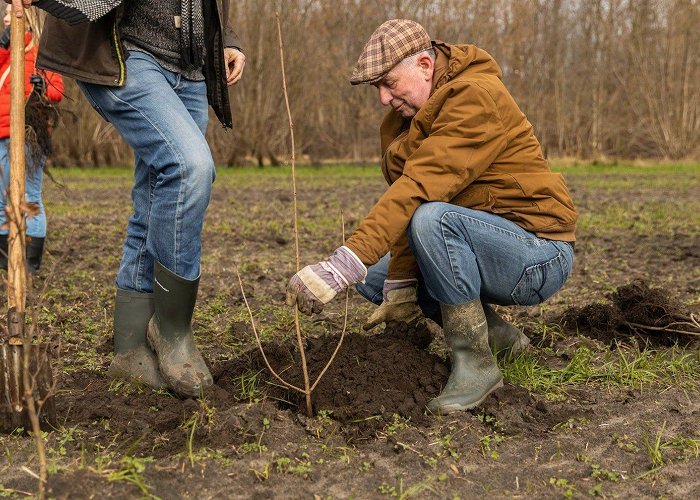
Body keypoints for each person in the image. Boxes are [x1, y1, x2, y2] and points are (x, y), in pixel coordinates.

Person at [287, 19, 578, 415]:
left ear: (425, 65)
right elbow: (405, 199)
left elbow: (419, 190)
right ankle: (499, 337)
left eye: (390, 83)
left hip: (537, 253)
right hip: (478, 241)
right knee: (378, 279)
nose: (384, 99)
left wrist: (344, 263)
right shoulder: (405, 121)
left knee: (432, 220)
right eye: (378, 89)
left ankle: (476, 365)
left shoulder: (477, 97)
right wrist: (402, 285)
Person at [16, 0, 246, 397]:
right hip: (125, 54)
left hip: (190, 68)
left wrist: (228, 39)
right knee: (189, 167)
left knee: (157, 191)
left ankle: (129, 349)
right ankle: (172, 330)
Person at [0, 4, 63, 273]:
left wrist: (43, 88)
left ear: (25, 19)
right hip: (2, 132)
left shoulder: (42, 52)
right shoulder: (5, 53)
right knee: (3, 199)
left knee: (30, 196)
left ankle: (29, 263)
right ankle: (6, 263)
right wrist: (3, 47)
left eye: (8, 14)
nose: (4, 18)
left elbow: (57, 91)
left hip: (31, 135)